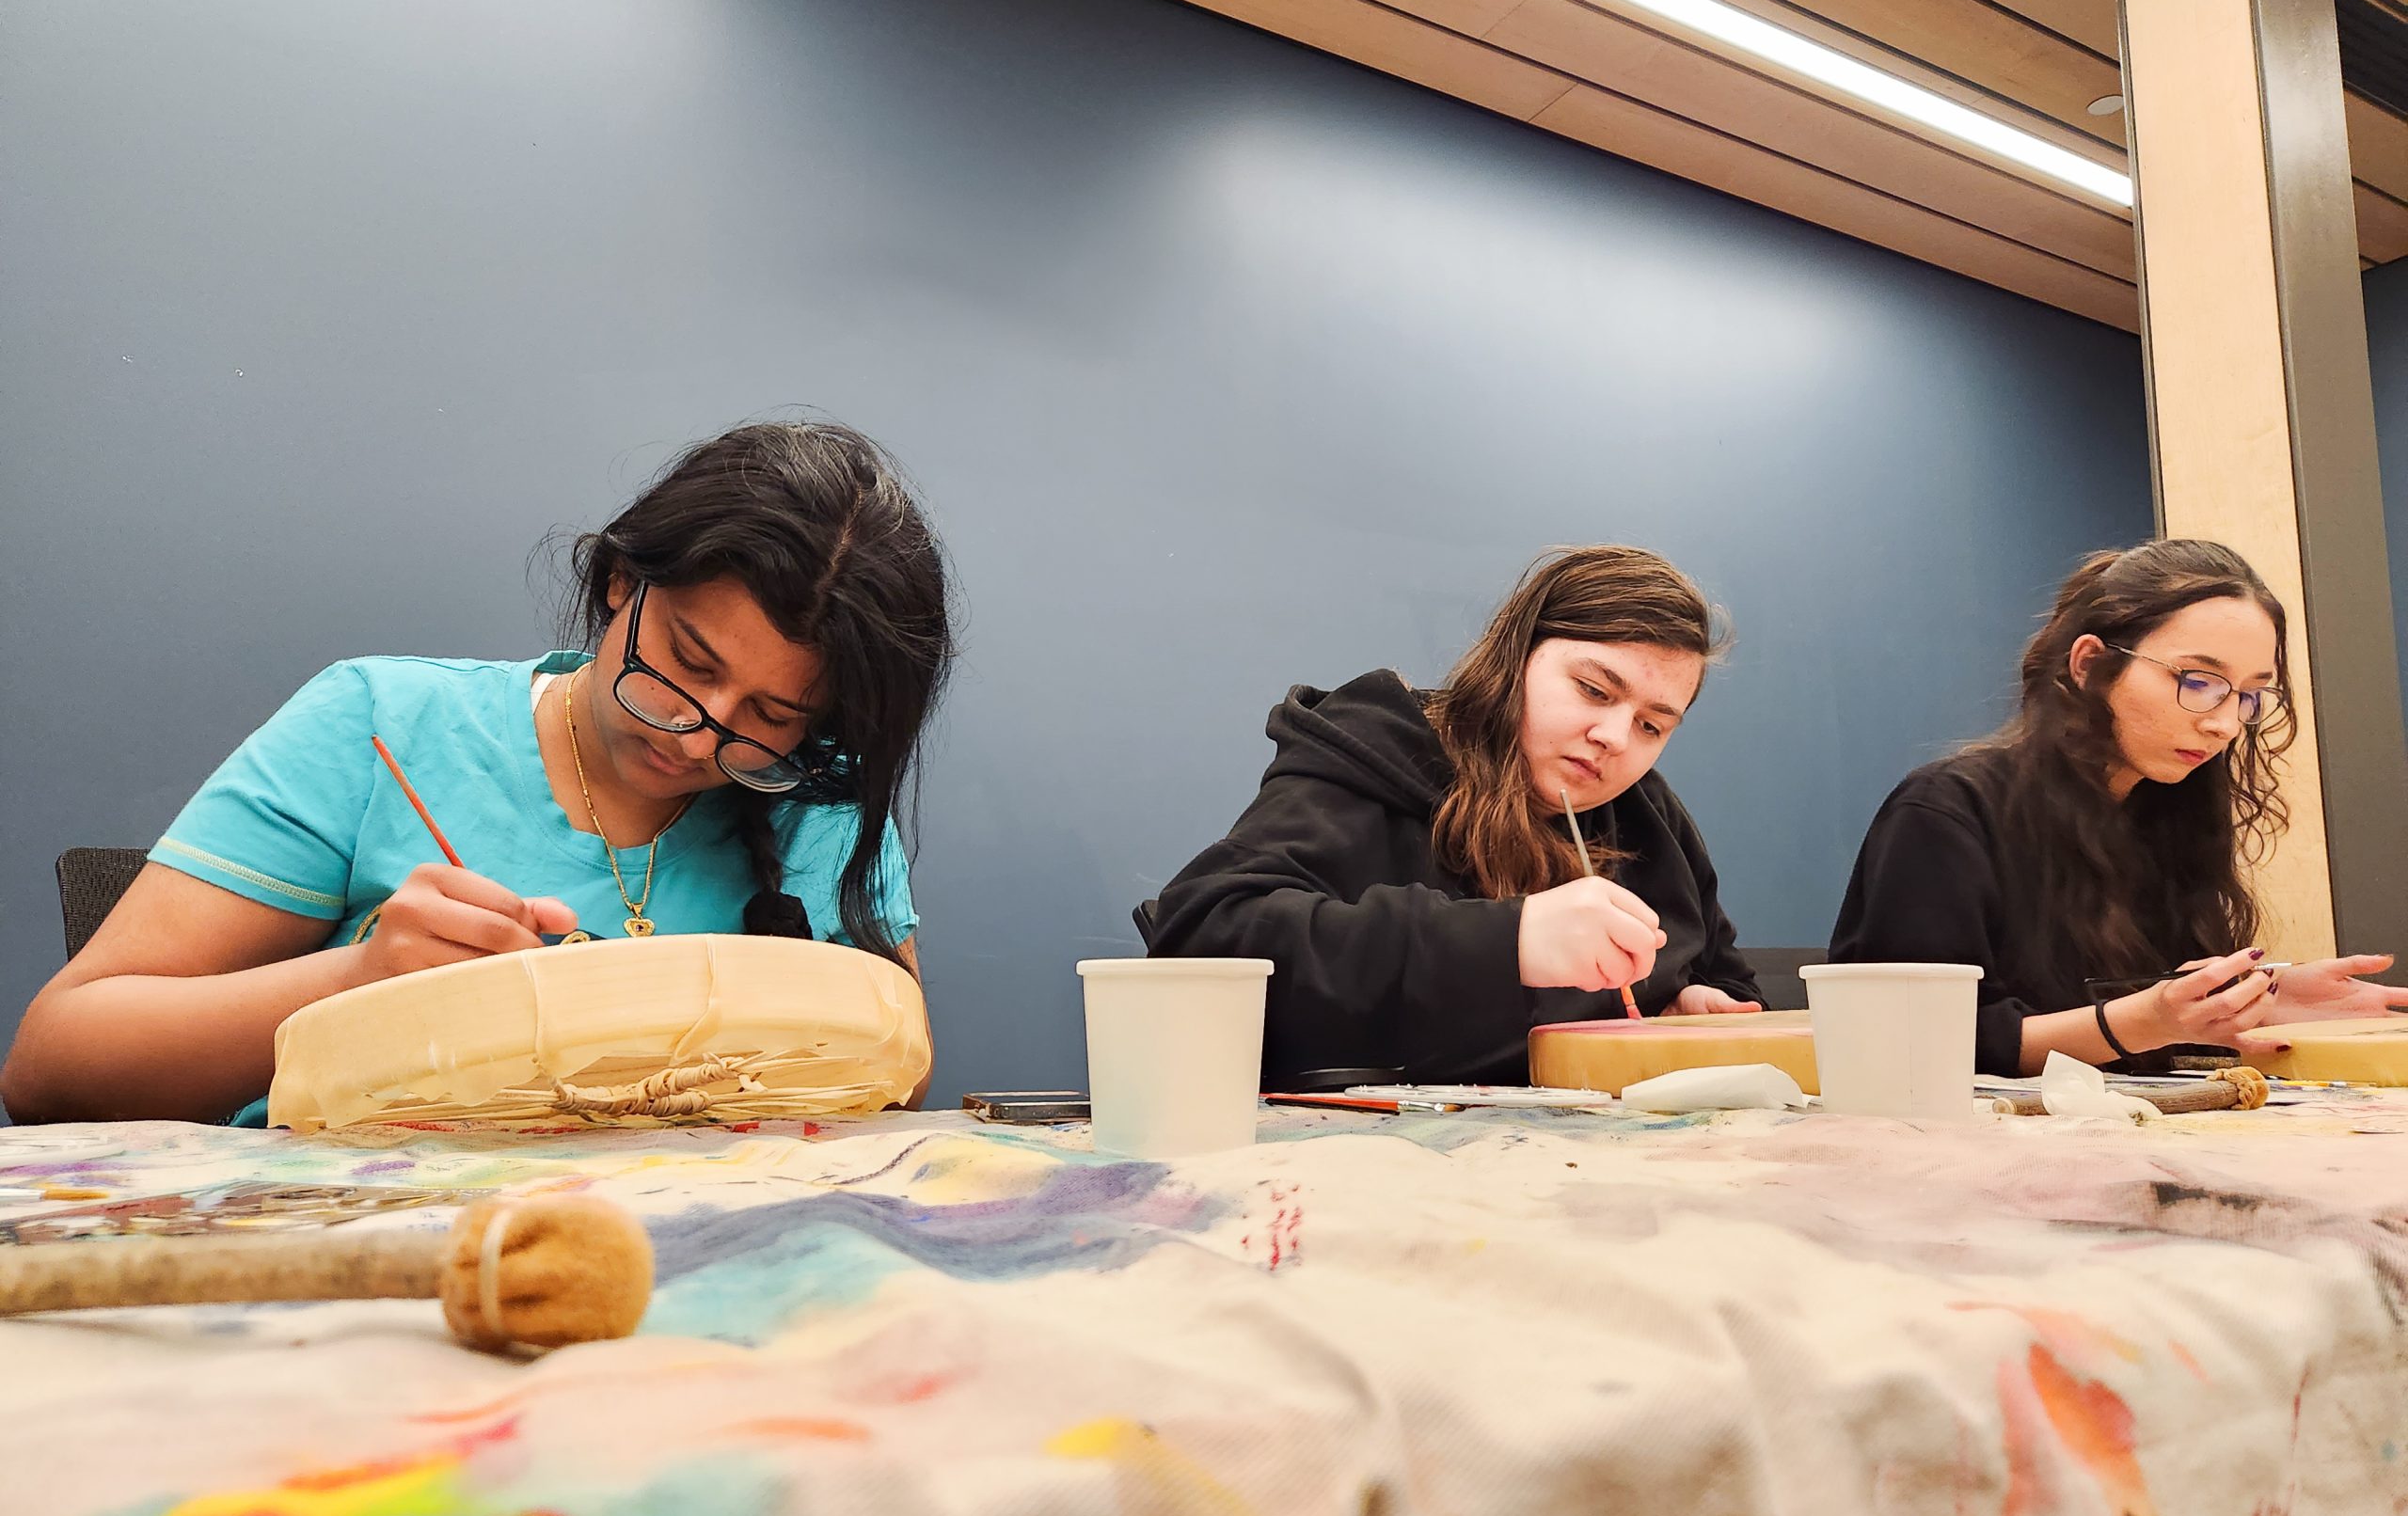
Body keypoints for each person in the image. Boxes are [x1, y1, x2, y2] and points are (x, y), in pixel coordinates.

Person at [2, 419, 954, 1124]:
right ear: (623, 584)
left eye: (772, 718)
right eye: (689, 666)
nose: (702, 741)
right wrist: (360, 978)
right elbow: (49, 1070)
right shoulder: (380, 726)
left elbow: (901, 1074)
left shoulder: (814, 795)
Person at [1142, 545, 1761, 1085]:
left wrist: (1686, 1013)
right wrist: (1508, 941)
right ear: (1514, 656)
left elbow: (1729, 984)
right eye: (1594, 690)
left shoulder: (1649, 817)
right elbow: (1205, 935)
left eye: (1652, 725)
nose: (1615, 737)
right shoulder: (1377, 748)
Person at [1829, 537, 2408, 1077]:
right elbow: (1907, 1045)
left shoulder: (2169, 813)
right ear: (2089, 665)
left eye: (2250, 694)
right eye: (2199, 681)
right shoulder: (1948, 810)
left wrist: (2254, 999)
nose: (2225, 722)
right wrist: (2144, 1021)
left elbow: (2137, 1006)